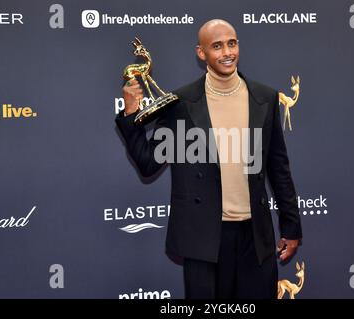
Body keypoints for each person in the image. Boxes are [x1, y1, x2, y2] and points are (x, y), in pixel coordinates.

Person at [115, 19, 302, 299]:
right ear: (201, 53)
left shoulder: (264, 98)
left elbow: (279, 168)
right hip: (205, 240)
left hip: (256, 238)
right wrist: (131, 114)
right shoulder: (181, 103)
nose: (227, 52)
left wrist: (291, 226)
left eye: (232, 43)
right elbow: (148, 162)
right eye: (217, 46)